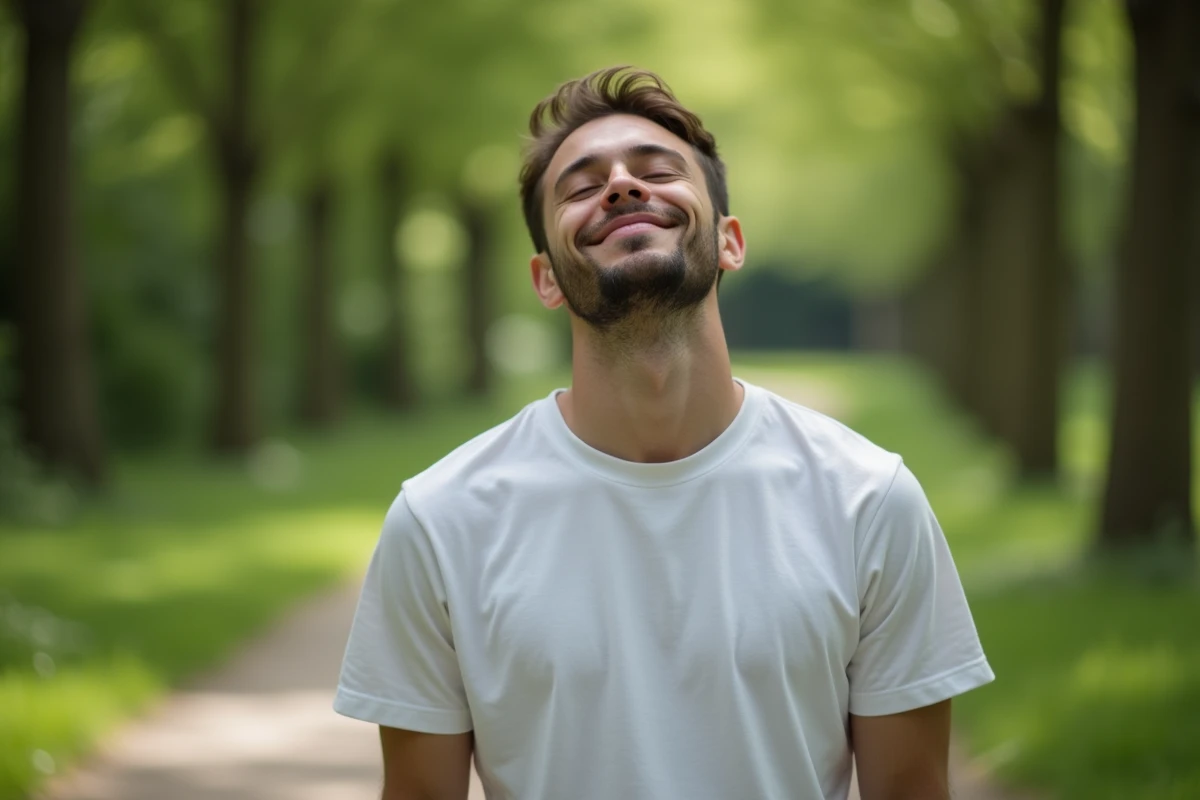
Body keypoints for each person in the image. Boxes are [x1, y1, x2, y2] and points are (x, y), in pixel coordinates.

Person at [334, 66, 994, 800]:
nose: (621, 186)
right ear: (546, 278)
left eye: (656, 171)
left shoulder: (870, 501)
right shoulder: (440, 520)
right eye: (582, 187)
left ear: (731, 242)